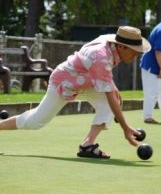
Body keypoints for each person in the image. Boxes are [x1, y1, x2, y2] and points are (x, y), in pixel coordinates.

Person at [0, 26, 151, 158]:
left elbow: (100, 73)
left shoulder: (110, 42)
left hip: (86, 81)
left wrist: (112, 86)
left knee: (111, 102)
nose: (136, 56)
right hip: (64, 82)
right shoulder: (101, 57)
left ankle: (87, 145)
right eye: (134, 52)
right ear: (122, 46)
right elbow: (101, 70)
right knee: (36, 122)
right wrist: (125, 128)